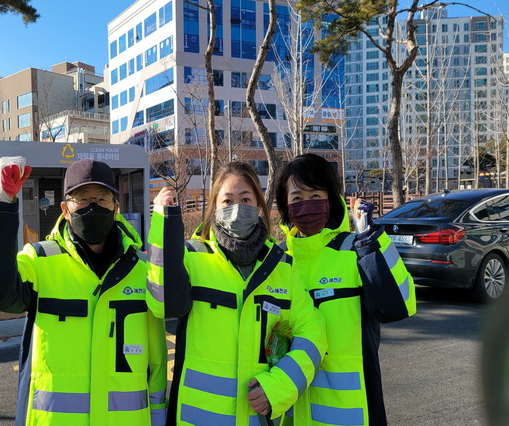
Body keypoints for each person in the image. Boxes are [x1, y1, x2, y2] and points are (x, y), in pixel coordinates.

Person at [0, 156, 167, 426]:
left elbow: (156, 363)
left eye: (102, 198)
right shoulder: (40, 262)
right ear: (64, 209)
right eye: (82, 199)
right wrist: (2, 202)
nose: (92, 206)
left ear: (116, 208)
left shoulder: (144, 271)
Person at [147, 161, 327, 425]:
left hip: (256, 418)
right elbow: (162, 304)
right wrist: (163, 222)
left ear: (258, 206)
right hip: (196, 418)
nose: (236, 209)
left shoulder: (282, 267)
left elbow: (313, 332)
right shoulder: (193, 258)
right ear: (215, 208)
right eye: (227, 201)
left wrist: (279, 386)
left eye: (245, 199)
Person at [274, 153, 417, 425]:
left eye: (316, 195)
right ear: (285, 206)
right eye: (296, 198)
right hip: (289, 411)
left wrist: (371, 243)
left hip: (350, 413)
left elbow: (400, 305)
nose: (307, 205)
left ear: (331, 199)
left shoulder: (356, 248)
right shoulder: (278, 260)